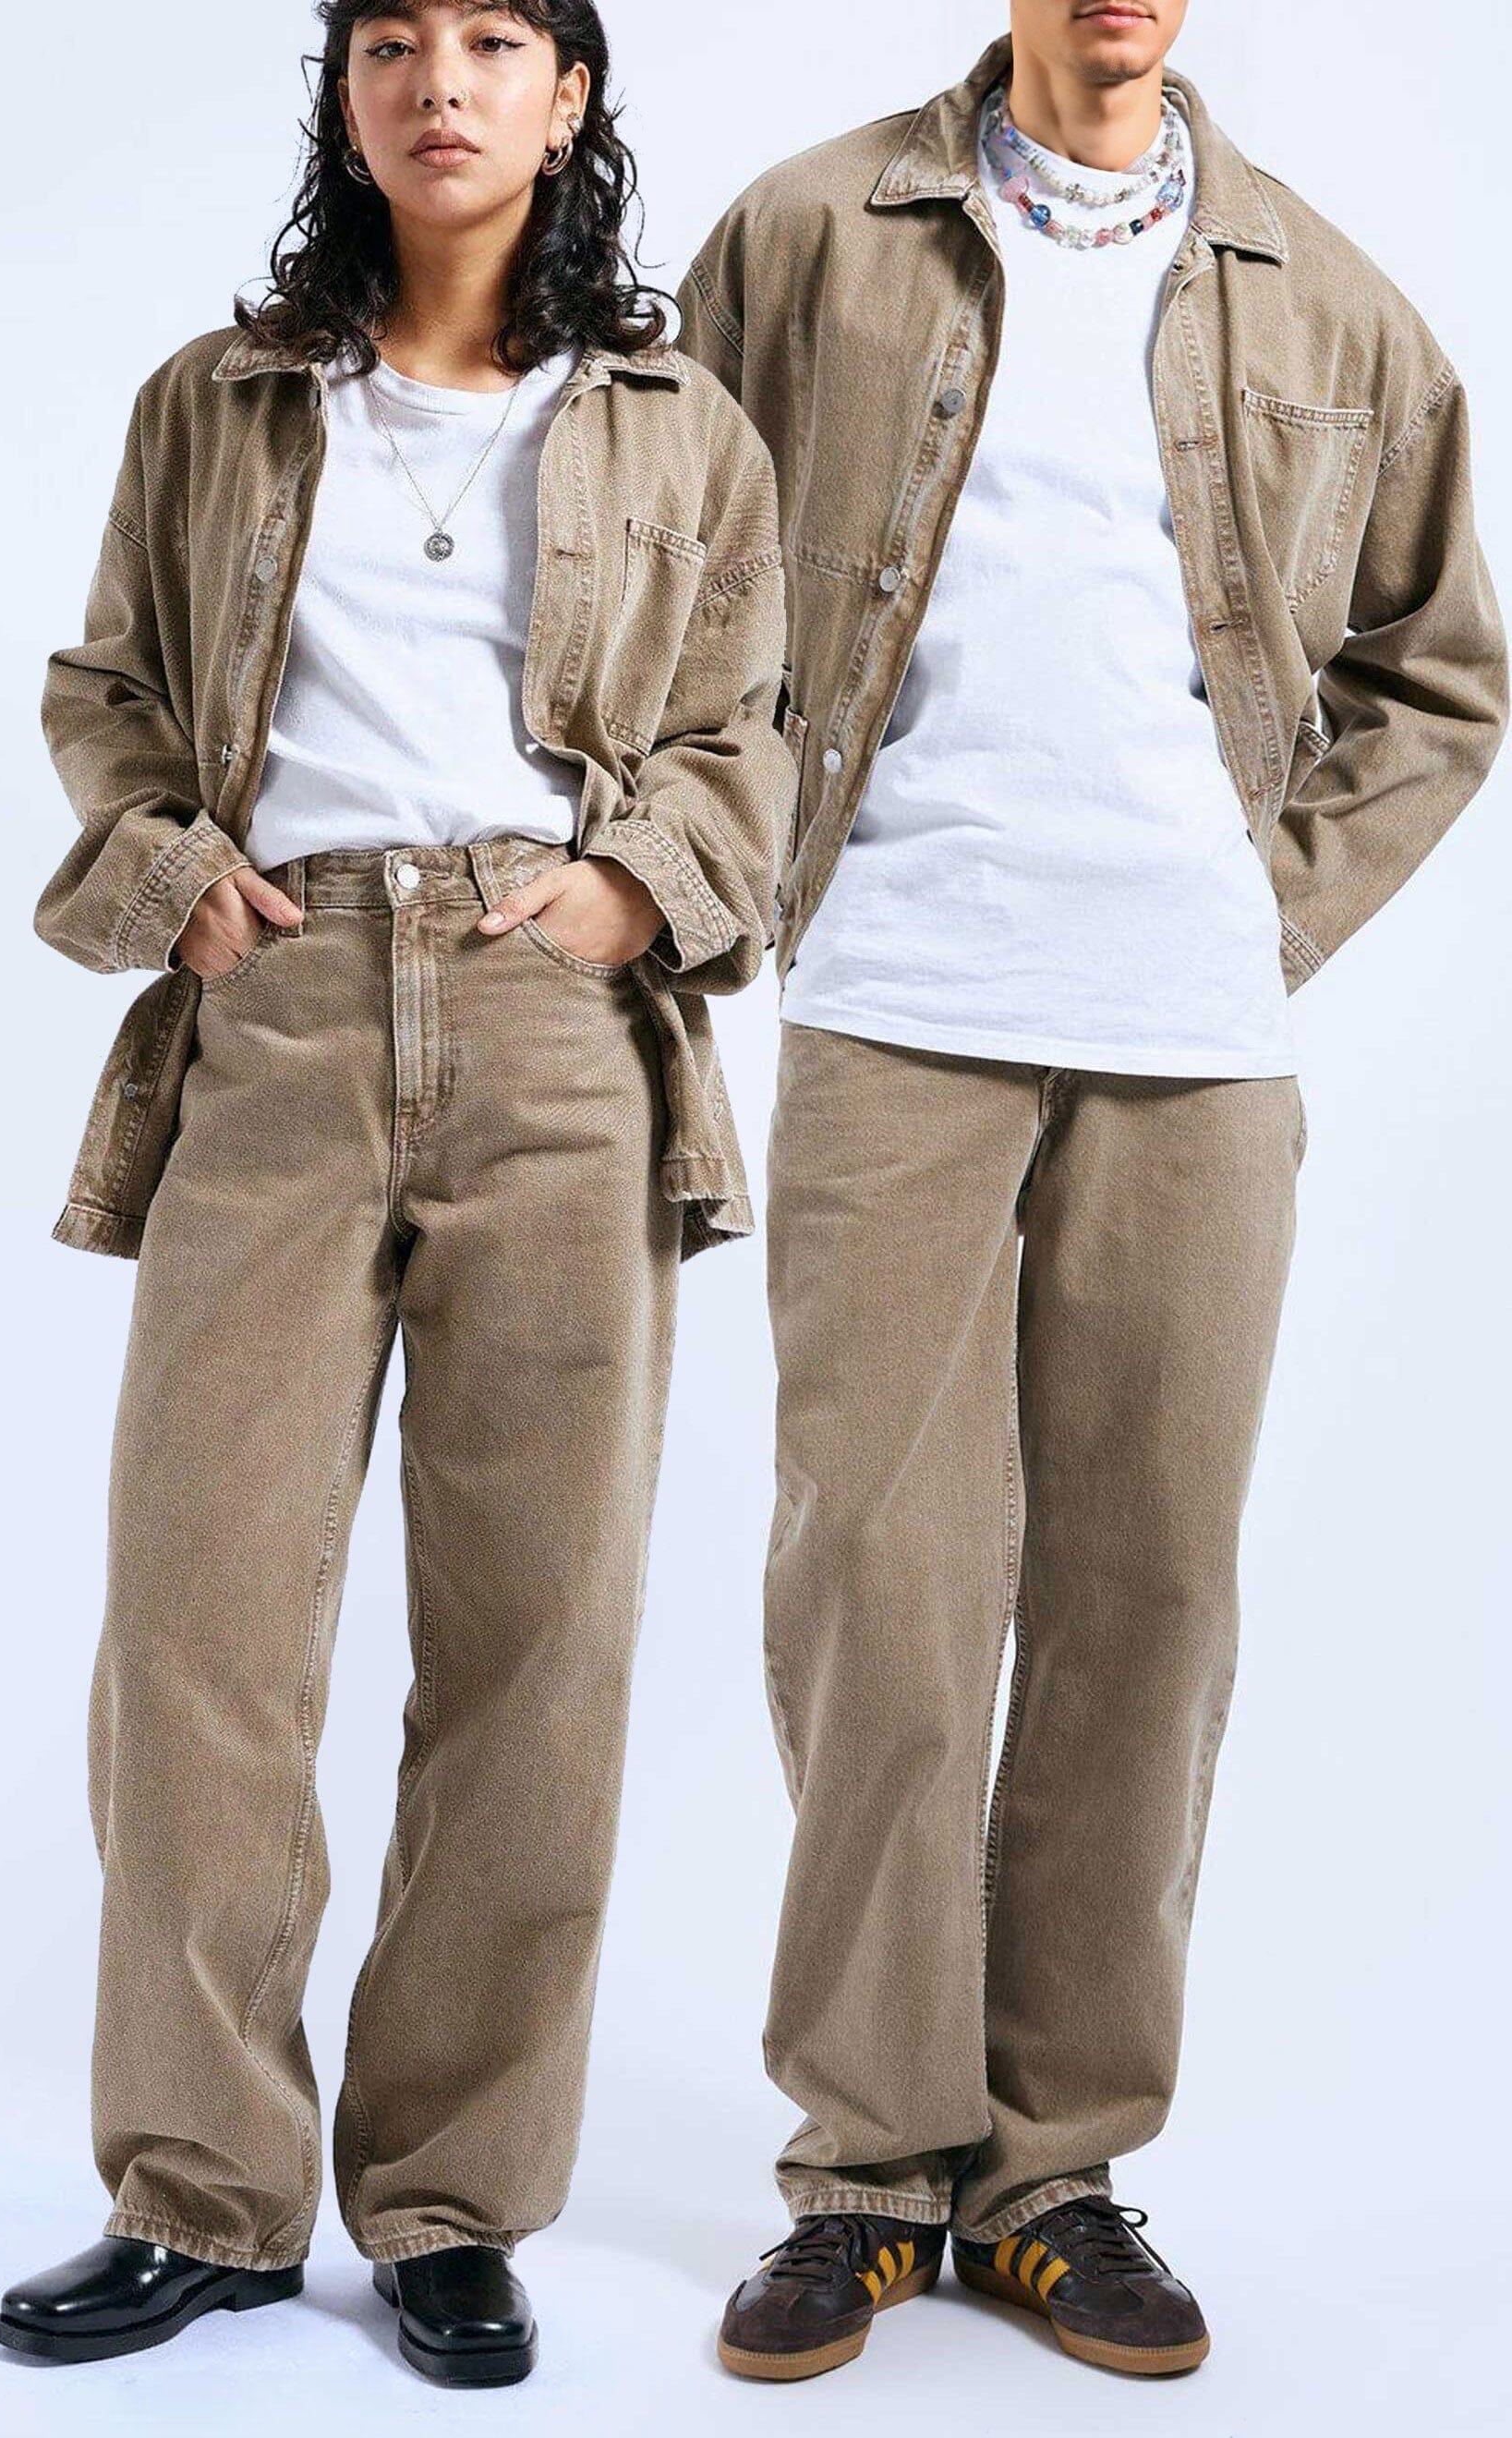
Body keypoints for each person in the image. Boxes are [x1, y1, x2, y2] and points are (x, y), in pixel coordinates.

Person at [677, 0, 1506, 2383]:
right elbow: (655, 567)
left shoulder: (1332, 294)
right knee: (880, 1584)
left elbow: (1444, 674)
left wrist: (1270, 912)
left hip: (1197, 1041)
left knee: (1147, 1597)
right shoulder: (811, 231)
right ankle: (867, 2164)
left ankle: (1054, 2170)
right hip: (895, 999)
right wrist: (739, 865)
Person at [0, 0, 791, 2386]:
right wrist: (176, 882)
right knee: (203, 1627)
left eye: (496, 42)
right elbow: (112, 685)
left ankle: (448, 2200)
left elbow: (748, 736)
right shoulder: (221, 401)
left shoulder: (677, 424)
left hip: (557, 1028)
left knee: (539, 1640)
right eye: (392, 45)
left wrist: (633, 894)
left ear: (570, 98)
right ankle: (208, 2197)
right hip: (284, 1004)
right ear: (344, 98)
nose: (442, 85)